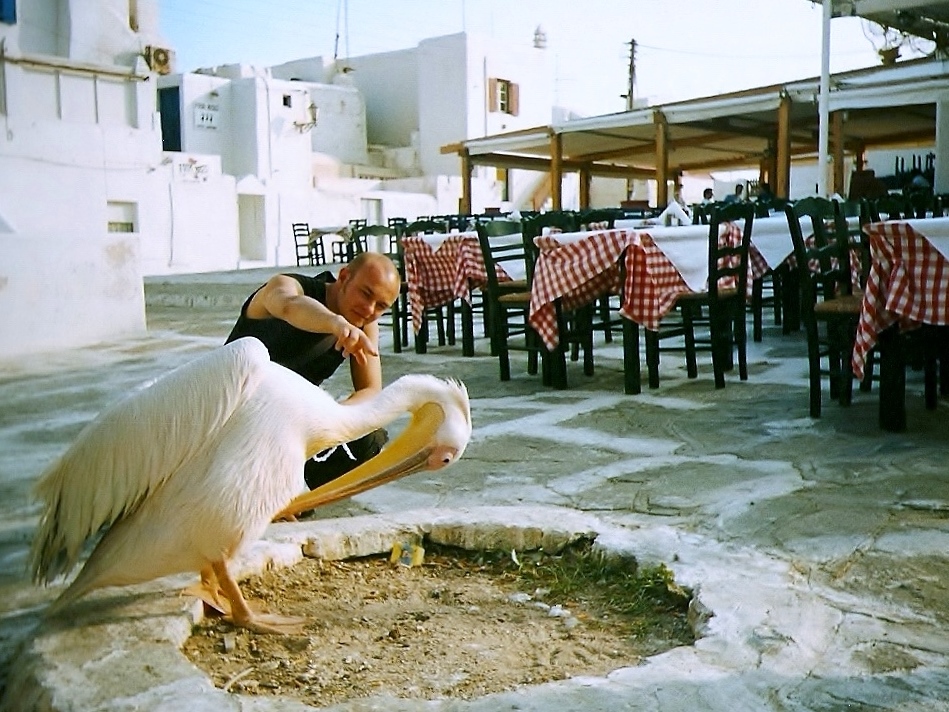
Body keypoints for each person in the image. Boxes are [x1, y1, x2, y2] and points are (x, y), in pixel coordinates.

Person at [225, 251, 401, 491]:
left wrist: (329, 420)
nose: (369, 309)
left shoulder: (364, 322)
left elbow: (370, 390)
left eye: (381, 306)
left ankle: (288, 498)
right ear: (344, 276)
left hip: (283, 430)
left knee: (369, 439)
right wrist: (335, 324)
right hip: (230, 419)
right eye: (366, 293)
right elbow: (289, 306)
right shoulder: (287, 285)